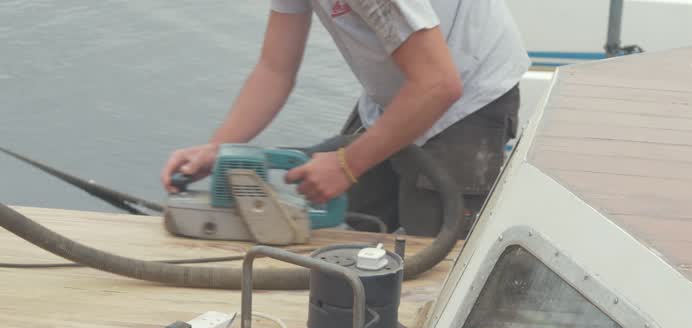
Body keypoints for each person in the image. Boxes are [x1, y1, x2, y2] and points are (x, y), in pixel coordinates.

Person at [161, 1, 529, 237]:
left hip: (468, 97)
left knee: (433, 252)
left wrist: (346, 164)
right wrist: (219, 148)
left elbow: (439, 85)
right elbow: (275, 68)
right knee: (360, 226)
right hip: (398, 91)